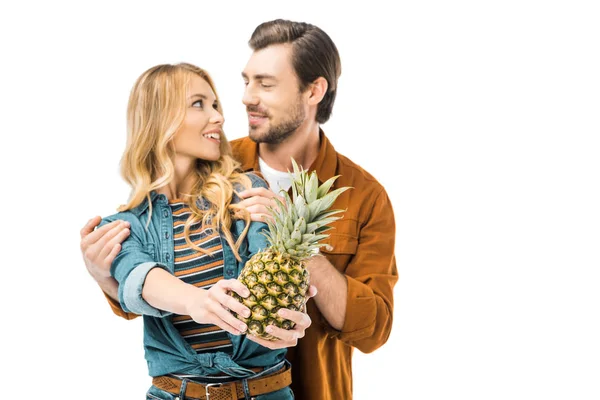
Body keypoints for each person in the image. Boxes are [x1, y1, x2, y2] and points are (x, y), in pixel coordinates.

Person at [81, 19, 398, 400]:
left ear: (314, 91)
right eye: (246, 81)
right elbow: (153, 276)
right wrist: (109, 281)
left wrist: (300, 248)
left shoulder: (364, 195)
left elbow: (374, 329)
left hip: (307, 387)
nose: (245, 98)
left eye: (265, 84)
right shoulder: (219, 167)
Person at [91, 62, 296, 399]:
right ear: (160, 118)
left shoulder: (246, 193)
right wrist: (199, 302)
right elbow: (141, 280)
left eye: (216, 105)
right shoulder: (123, 226)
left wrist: (292, 312)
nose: (219, 117)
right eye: (199, 104)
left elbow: (272, 262)